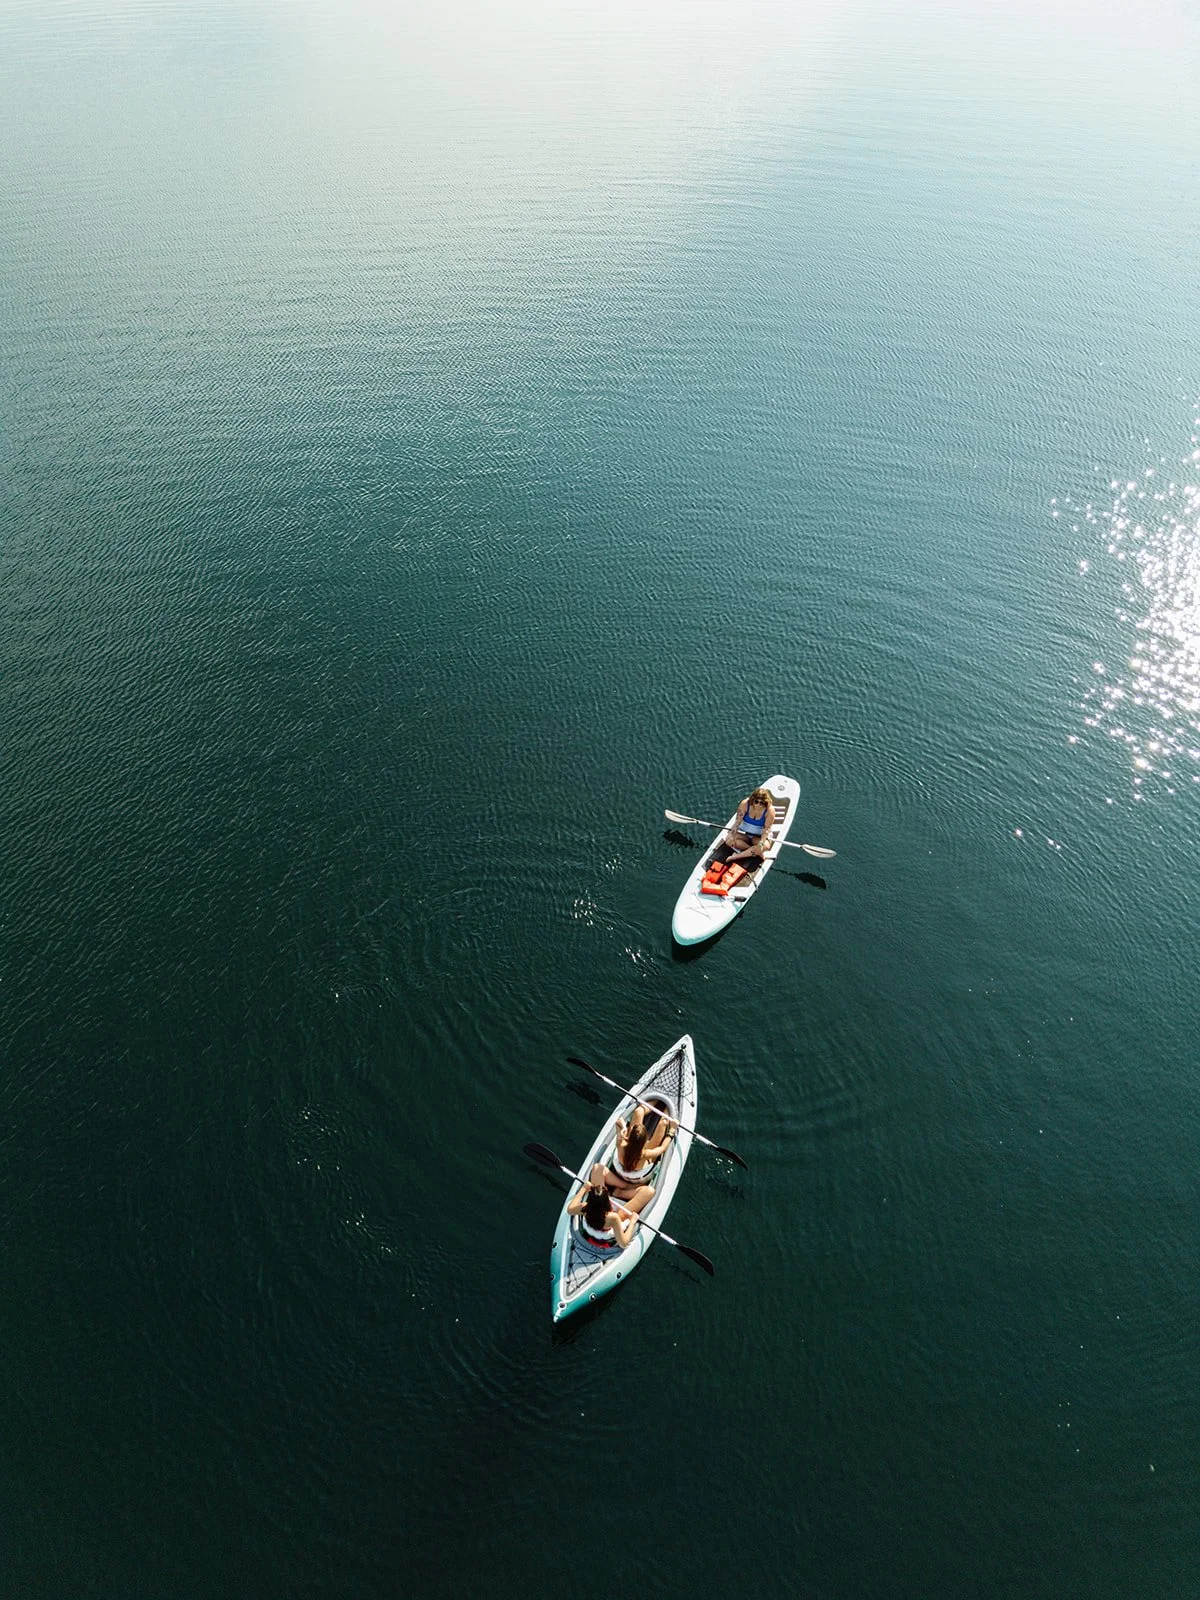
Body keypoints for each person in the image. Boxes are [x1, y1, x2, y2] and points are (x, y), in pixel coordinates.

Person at [567, 1164, 652, 1249]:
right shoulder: (613, 1217)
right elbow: (623, 1243)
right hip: (611, 1222)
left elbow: (570, 1210)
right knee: (649, 1191)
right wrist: (633, 1221)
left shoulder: (585, 1207)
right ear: (607, 1201)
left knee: (597, 1168)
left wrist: (584, 1188)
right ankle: (623, 1190)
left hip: (597, 1221)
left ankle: (625, 1187)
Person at [608, 1101, 676, 1197]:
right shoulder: (645, 1154)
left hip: (622, 1170)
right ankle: (668, 1106)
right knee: (663, 1123)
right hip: (640, 1175)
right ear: (645, 1142)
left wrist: (623, 1129)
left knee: (638, 1111)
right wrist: (672, 1129)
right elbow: (662, 1148)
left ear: (628, 1136)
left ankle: (657, 1100)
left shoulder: (621, 1143)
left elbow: (618, 1121)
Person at [721, 786, 776, 864]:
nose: (759, 805)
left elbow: (766, 829)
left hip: (759, 836)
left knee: (765, 846)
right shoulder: (745, 804)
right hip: (744, 833)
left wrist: (761, 843)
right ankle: (754, 851)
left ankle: (736, 856)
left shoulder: (770, 810)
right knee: (729, 841)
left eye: (762, 803)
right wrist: (732, 836)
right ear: (752, 800)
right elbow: (737, 822)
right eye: (756, 802)